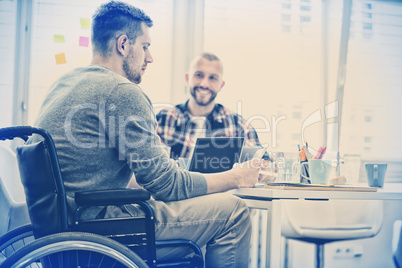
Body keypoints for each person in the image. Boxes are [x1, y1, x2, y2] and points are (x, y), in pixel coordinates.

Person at [30, 2, 262, 267]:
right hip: (106, 229)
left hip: (64, 228)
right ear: (123, 44)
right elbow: (169, 185)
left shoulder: (64, 84)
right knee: (234, 211)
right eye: (145, 46)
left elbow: (88, 174)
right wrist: (237, 177)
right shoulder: (121, 91)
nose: (149, 57)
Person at [156, 52, 263, 160]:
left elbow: (265, 164)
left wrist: (262, 167)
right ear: (188, 79)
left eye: (212, 78)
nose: (204, 84)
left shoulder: (237, 125)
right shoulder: (163, 119)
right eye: (199, 75)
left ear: (221, 85)